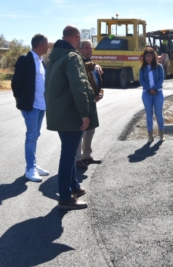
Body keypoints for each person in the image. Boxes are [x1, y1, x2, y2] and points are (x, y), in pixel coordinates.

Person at [45, 26, 99, 210]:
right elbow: (79, 86)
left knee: (68, 149)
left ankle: (74, 186)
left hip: (58, 112)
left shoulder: (54, 57)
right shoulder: (72, 57)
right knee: (68, 155)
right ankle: (65, 196)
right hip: (70, 113)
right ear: (77, 37)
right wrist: (85, 113)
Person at [11, 34, 50, 182]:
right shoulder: (25, 60)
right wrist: (22, 100)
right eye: (46, 44)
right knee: (31, 136)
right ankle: (30, 169)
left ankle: (33, 164)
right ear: (40, 45)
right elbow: (16, 83)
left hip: (41, 105)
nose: (48, 47)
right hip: (31, 106)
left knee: (35, 135)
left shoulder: (41, 61)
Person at [75, 40, 104, 168]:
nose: (89, 50)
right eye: (86, 48)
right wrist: (94, 65)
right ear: (80, 50)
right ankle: (77, 159)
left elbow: (97, 82)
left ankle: (86, 156)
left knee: (90, 130)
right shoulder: (78, 63)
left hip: (92, 102)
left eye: (91, 48)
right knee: (80, 131)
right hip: (82, 102)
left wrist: (100, 93)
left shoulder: (91, 64)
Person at [139, 46, 165, 143]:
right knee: (149, 114)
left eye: (149, 56)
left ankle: (161, 134)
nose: (147, 58)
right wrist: (149, 89)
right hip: (147, 94)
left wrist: (155, 89)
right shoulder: (142, 68)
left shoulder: (159, 67)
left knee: (158, 114)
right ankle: (150, 135)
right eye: (146, 56)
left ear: (153, 56)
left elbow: (161, 79)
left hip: (158, 93)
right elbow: (141, 81)